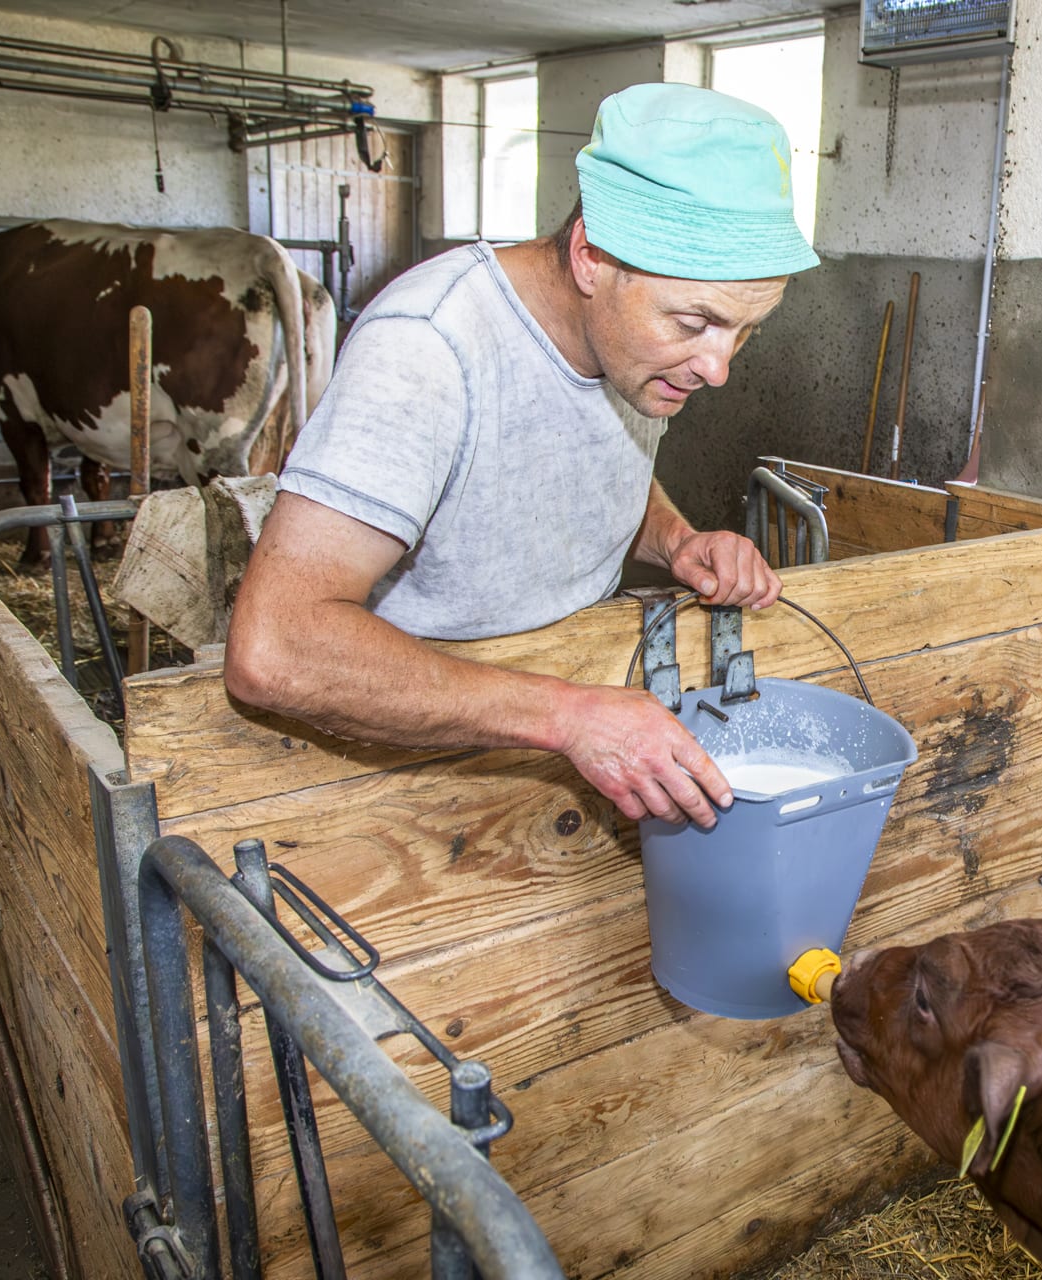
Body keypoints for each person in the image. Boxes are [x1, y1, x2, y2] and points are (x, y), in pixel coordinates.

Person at [224, 83, 819, 830]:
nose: (718, 368)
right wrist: (568, 717)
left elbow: (576, 463)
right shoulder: (428, 346)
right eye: (695, 322)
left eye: (745, 331)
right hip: (402, 774)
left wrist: (676, 540)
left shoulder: (637, 355)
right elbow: (276, 646)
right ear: (591, 257)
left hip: (560, 737)